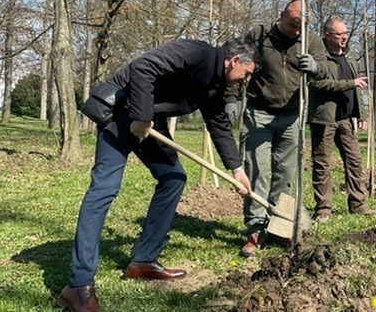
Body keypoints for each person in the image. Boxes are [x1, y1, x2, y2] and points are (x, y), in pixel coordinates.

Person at [58, 38, 256, 312]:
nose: (245, 80)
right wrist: (140, 115)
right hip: (121, 115)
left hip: (149, 124)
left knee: (173, 178)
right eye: (246, 73)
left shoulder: (214, 86)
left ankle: (142, 260)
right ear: (235, 61)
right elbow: (143, 66)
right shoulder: (196, 52)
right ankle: (78, 286)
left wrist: (236, 169)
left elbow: (218, 124)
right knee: (104, 189)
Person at [234, 0, 333, 257]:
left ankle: (280, 225)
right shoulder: (259, 34)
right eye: (292, 25)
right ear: (281, 16)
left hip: (292, 117)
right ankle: (255, 232)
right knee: (257, 173)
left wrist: (313, 66)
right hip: (259, 114)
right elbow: (240, 63)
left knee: (286, 175)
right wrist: (232, 98)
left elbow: (325, 69)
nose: (296, 31)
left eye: (301, 27)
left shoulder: (309, 41)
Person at [308, 17, 376, 222]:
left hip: (347, 119)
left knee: (354, 162)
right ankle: (323, 209)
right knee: (322, 164)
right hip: (324, 119)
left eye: (346, 34)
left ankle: (358, 204)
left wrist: (362, 114)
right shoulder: (319, 59)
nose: (344, 38)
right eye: (340, 34)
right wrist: (349, 83)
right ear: (328, 35)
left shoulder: (350, 59)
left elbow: (358, 90)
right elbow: (317, 85)